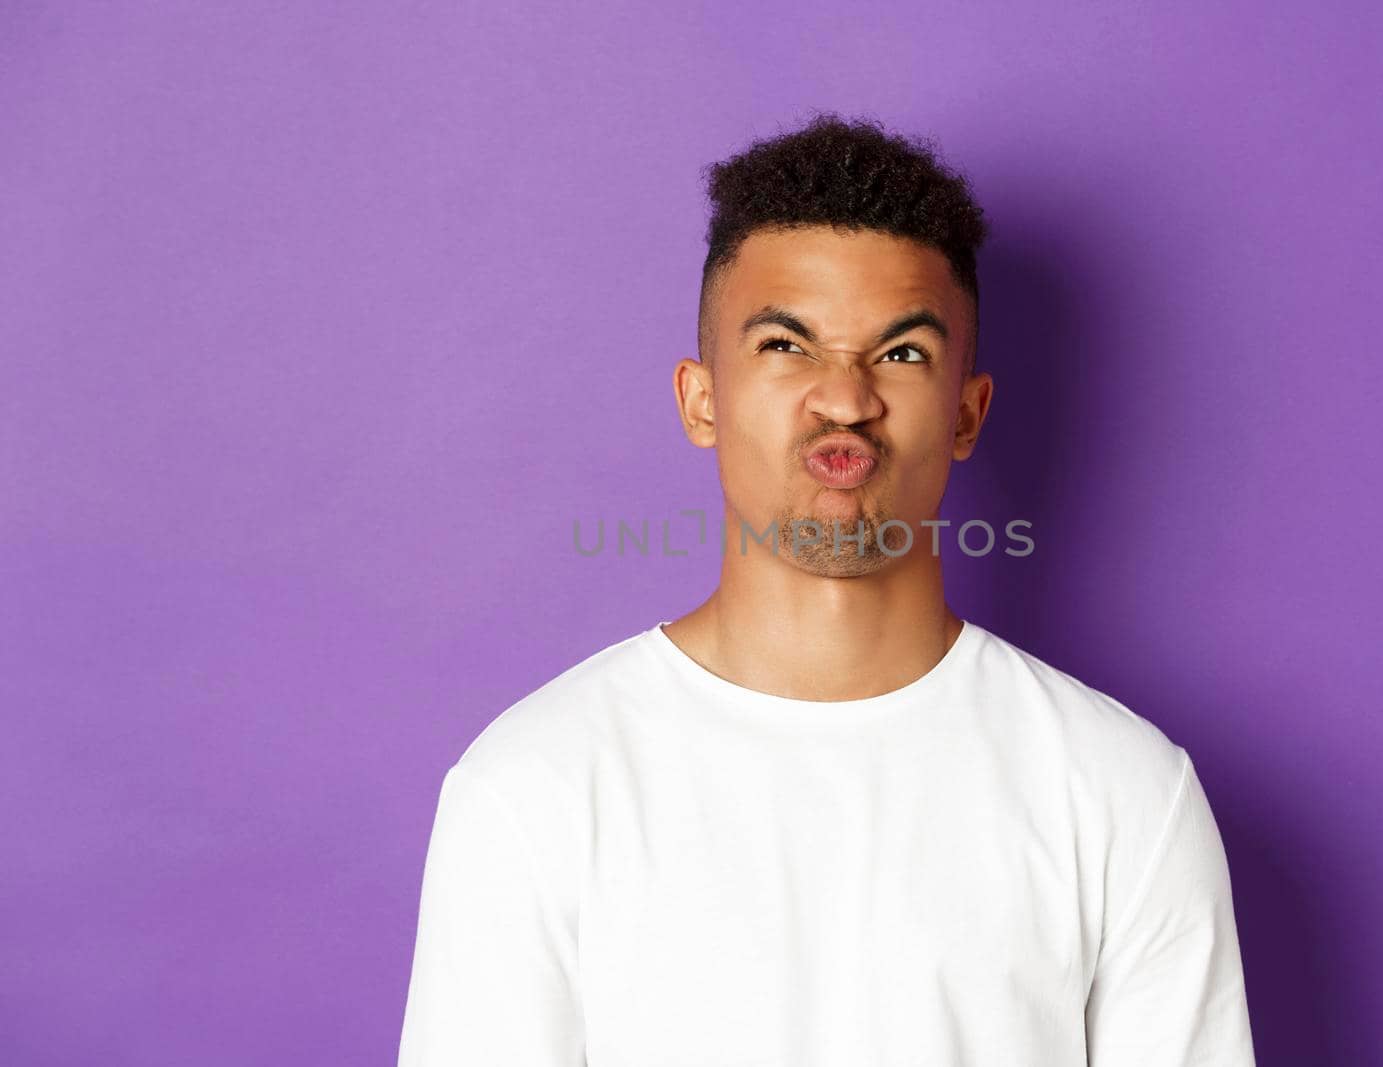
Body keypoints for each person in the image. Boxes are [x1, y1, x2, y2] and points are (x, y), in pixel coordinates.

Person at [397, 112, 1256, 1066]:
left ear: (968, 412)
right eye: (785, 346)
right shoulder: (534, 786)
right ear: (700, 399)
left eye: (900, 354)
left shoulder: (1124, 794)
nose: (845, 398)